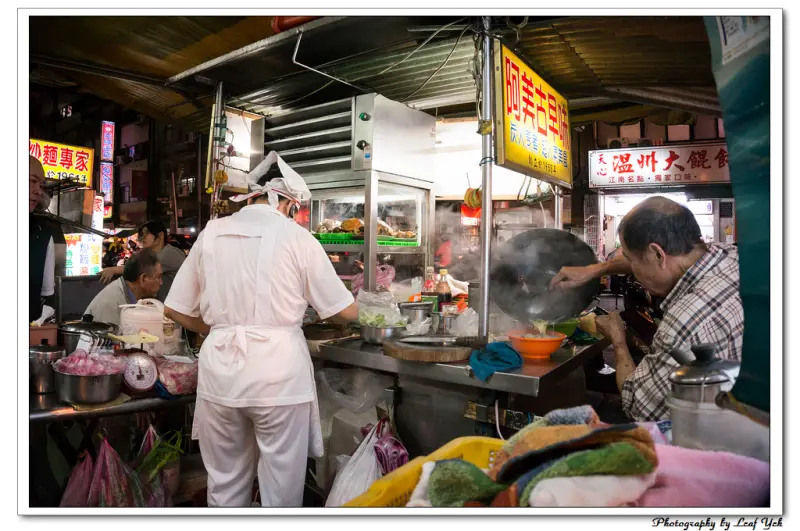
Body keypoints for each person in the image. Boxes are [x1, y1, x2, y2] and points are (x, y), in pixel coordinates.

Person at [163, 152, 358, 508]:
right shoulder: (297, 238)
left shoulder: (211, 233)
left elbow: (175, 307)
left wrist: (214, 329)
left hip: (221, 375)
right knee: (281, 489)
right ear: (286, 203)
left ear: (252, 196)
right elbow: (344, 311)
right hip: (279, 379)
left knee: (224, 483)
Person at [551, 196, 743, 421]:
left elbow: (640, 408)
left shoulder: (686, 321)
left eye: (631, 260)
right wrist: (595, 270)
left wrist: (618, 339)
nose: (631, 269)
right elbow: (646, 258)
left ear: (658, 255)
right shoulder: (729, 255)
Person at [99, 221, 185, 302]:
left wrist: (113, 270)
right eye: (141, 234)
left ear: (160, 235)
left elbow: (139, 267)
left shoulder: (169, 253)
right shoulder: (155, 253)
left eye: (146, 233)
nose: (142, 237)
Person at [84, 248, 163, 326]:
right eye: (158, 277)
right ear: (143, 279)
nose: (161, 283)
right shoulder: (110, 305)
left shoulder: (129, 295)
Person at [29, 156, 56, 322]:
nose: (38, 190)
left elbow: (45, 294)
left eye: (41, 185)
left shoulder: (43, 237)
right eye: (32, 181)